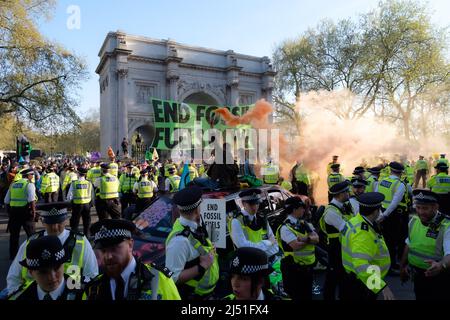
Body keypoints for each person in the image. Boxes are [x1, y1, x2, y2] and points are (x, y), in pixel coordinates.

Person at [6, 202, 98, 294]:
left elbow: (92, 274)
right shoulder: (31, 243)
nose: (54, 227)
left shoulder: (80, 242)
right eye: (50, 223)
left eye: (59, 222)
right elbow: (13, 277)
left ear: (66, 220)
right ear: (43, 222)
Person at [83, 219, 180, 300]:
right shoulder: (93, 289)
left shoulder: (158, 279)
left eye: (114, 248)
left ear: (130, 245)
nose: (108, 256)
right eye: (103, 251)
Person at [165, 186, 219, 300]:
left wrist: (210, 248)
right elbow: (172, 277)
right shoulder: (179, 241)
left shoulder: (197, 223)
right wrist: (202, 266)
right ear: (197, 210)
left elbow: (199, 246)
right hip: (194, 297)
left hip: (209, 292)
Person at [340, 192, 394, 300]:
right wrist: (381, 287)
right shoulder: (362, 234)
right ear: (375, 211)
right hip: (363, 283)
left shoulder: (355, 221)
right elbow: (361, 265)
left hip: (356, 279)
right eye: (379, 209)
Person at [400, 189, 450, 300]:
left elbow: (449, 253)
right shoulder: (413, 221)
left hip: (438, 277)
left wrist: (441, 265)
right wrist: (402, 267)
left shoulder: (446, 226)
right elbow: (408, 244)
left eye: (425, 208)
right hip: (417, 275)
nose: (421, 212)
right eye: (418, 208)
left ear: (435, 207)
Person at [7, 236, 84, 300]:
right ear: (31, 272)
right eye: (43, 272)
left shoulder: (83, 295)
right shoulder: (21, 297)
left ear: (63, 264)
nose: (52, 277)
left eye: (57, 268)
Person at [276, 196, 319, 300]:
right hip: (293, 270)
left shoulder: (304, 223)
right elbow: (296, 245)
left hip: (307, 267)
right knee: (297, 296)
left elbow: (317, 239)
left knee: (307, 296)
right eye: (301, 208)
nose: (304, 210)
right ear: (294, 209)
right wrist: (309, 239)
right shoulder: (285, 228)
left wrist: (304, 239)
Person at [319, 181, 354, 300]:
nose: (349, 193)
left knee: (342, 277)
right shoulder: (331, 212)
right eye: (346, 191)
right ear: (340, 195)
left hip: (343, 247)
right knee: (333, 279)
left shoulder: (344, 206)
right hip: (336, 249)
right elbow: (347, 229)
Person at [376, 161, 412, 273]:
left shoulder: (382, 181)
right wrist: (385, 215)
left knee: (386, 240)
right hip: (393, 215)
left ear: (390, 170)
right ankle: (392, 265)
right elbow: (394, 203)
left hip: (381, 212)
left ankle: (387, 263)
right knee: (395, 241)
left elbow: (377, 197)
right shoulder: (400, 184)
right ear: (401, 173)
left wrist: (380, 214)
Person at [229, 189, 279, 259]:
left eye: (257, 203)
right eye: (251, 204)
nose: (255, 207)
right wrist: (268, 243)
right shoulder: (237, 221)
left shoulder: (262, 218)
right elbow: (244, 247)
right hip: (249, 263)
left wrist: (263, 249)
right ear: (243, 203)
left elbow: (275, 246)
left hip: (266, 260)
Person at [4, 168, 36, 260]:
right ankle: (33, 254)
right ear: (28, 176)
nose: (32, 177)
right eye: (32, 175)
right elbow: (31, 200)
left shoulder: (13, 184)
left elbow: (6, 200)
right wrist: (34, 212)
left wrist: (9, 213)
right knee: (31, 235)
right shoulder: (29, 185)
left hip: (14, 213)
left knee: (14, 235)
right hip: (26, 213)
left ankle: (13, 256)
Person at [67, 167, 94, 236]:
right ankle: (87, 236)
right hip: (86, 205)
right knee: (87, 222)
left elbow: (70, 195)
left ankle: (74, 237)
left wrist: (69, 204)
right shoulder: (89, 183)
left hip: (77, 205)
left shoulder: (74, 183)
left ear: (78, 174)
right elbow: (92, 194)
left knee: (75, 222)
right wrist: (92, 203)